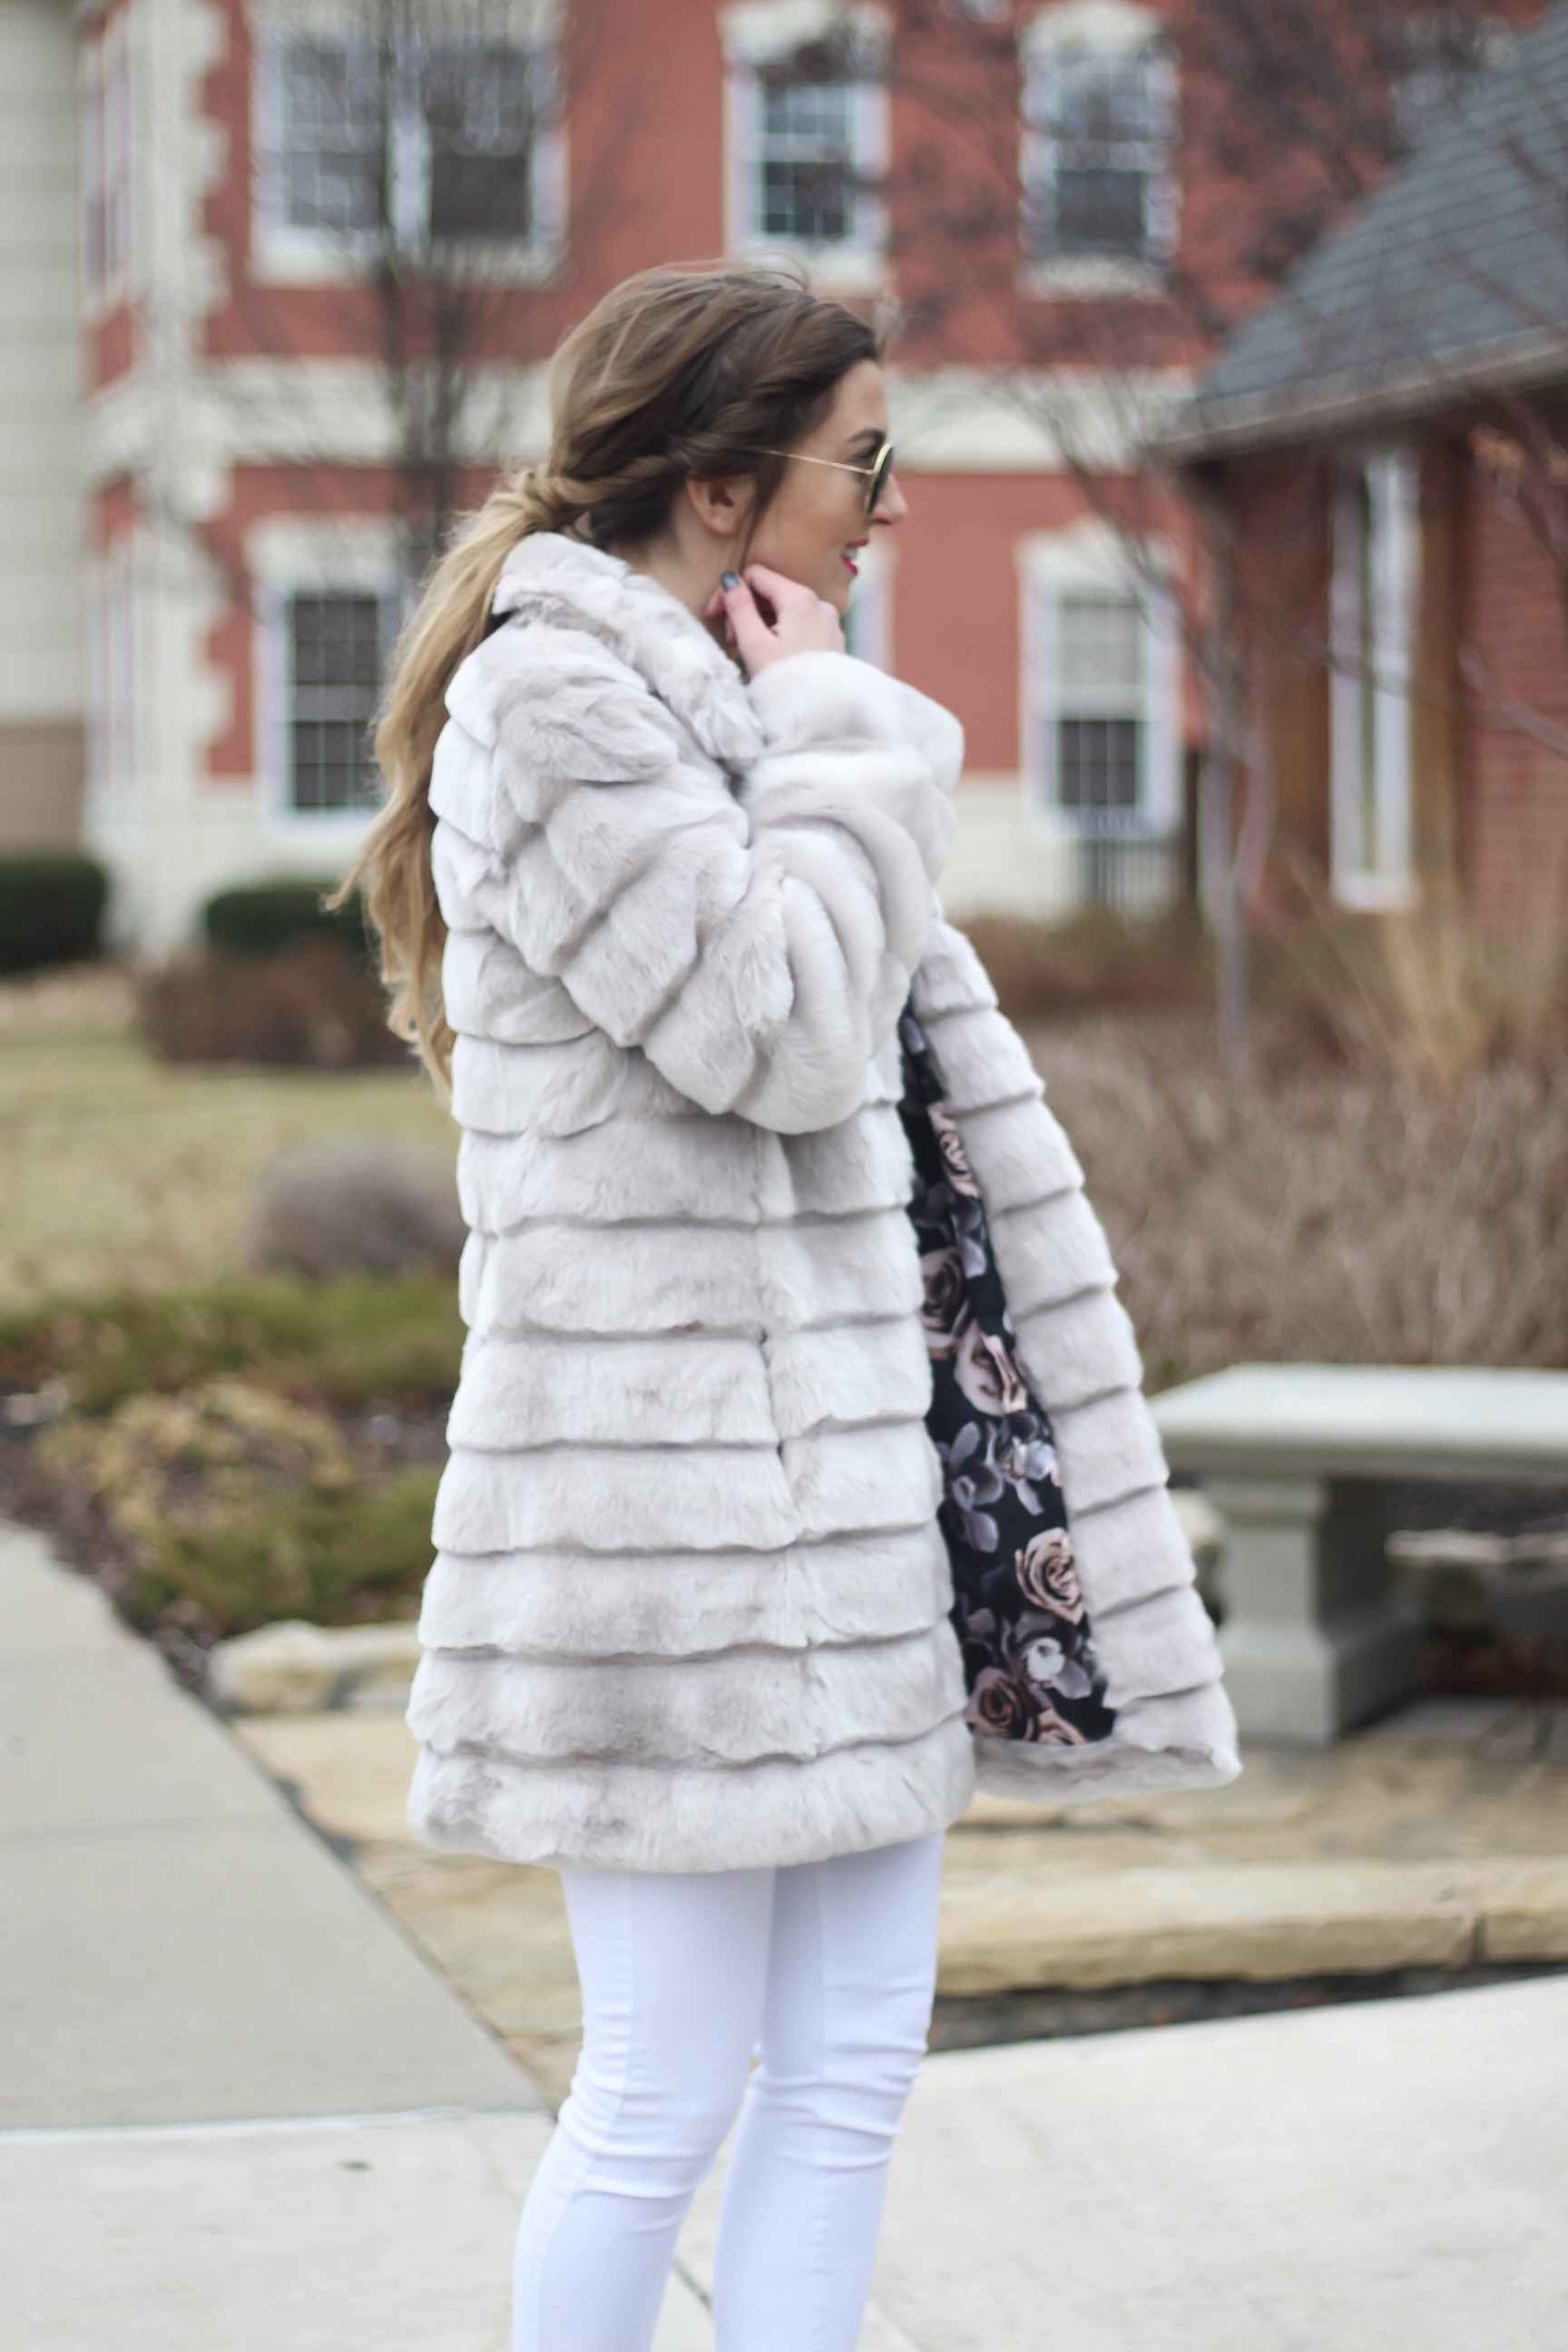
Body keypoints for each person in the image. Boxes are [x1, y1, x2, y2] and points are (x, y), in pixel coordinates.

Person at [343, 261, 1236, 2352]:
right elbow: (783, 1028)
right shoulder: (554, 700)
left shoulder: (719, 699)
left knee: (849, 2077)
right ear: (725, 483)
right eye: (868, 459)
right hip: (663, 1547)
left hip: (836, 1527)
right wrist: (842, 730)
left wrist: (809, 726)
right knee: (660, 2093)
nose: (894, 504)